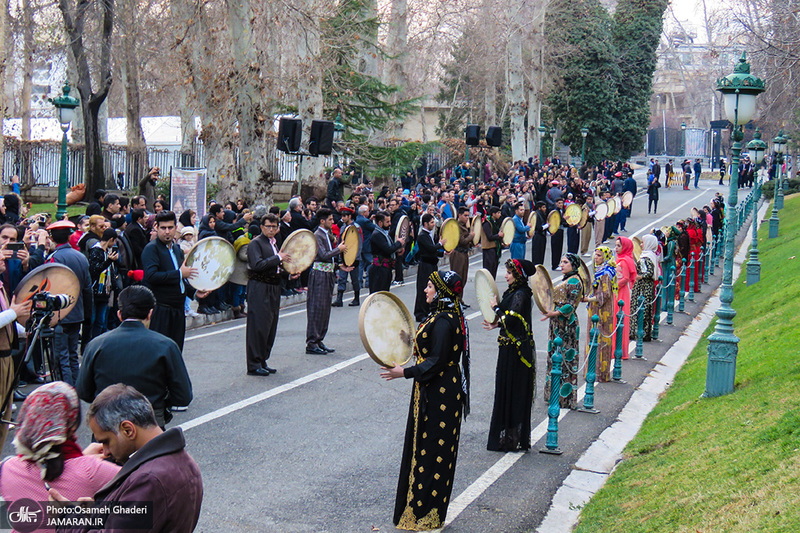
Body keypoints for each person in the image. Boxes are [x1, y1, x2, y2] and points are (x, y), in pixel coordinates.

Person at [380, 271, 469, 530]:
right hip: (437, 389)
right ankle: (423, 510)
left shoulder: (444, 320)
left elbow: (436, 360)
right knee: (429, 449)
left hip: (440, 391)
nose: (426, 290)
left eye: (430, 286)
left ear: (441, 291)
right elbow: (431, 349)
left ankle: (425, 513)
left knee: (432, 452)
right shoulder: (445, 316)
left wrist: (404, 372)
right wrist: (405, 341)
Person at [49, 384, 204, 533]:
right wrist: (97, 514)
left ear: (128, 430)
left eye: (106, 441)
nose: (105, 451)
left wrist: (65, 518)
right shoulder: (183, 461)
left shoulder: (149, 480)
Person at [76, 286, 193, 428]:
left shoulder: (96, 345)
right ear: (150, 313)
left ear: (119, 314)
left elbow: (84, 391)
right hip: (150, 426)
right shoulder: (166, 346)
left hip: (107, 428)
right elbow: (183, 396)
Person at [0, 382, 120, 507]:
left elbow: (48, 463)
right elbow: (139, 483)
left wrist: (82, 458)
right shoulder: (94, 470)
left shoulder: (6, 469)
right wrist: (84, 460)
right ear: (71, 425)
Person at [483, 259, 535, 452]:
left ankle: (512, 438)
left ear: (519, 275)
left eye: (509, 273)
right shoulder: (513, 292)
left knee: (514, 392)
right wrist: (496, 324)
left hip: (517, 352)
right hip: (507, 348)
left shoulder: (521, 294)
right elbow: (510, 319)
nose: (506, 275)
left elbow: (512, 319)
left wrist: (495, 308)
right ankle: (508, 437)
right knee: (505, 390)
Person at [142, 211, 208, 352]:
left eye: (170, 228)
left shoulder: (177, 250)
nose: (167, 232)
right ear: (156, 227)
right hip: (161, 309)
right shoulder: (151, 249)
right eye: (163, 228)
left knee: (176, 351)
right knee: (160, 352)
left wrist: (195, 292)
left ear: (175, 228)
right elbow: (152, 276)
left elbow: (180, 281)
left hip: (178, 310)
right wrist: (179, 273)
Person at [246, 214, 297, 375]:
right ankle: (254, 364)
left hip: (273, 286)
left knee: (270, 325)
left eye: (275, 227)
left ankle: (262, 359)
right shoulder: (255, 243)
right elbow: (257, 265)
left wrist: (288, 274)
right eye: (268, 226)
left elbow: (275, 268)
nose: (272, 230)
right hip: (260, 287)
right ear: (261, 227)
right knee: (258, 325)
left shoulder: (273, 243)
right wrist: (277, 258)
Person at [47, 220, 92, 386]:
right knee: (73, 354)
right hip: (77, 311)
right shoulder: (80, 256)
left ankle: (66, 389)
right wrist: (87, 313)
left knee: (61, 356)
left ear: (52, 237)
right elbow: (87, 289)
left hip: (60, 314)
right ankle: (77, 386)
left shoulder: (54, 258)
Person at [542, 253, 584, 409]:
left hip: (566, 325)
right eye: (561, 261)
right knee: (555, 357)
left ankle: (563, 398)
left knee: (564, 358)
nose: (562, 265)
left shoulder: (575, 281)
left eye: (565, 262)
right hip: (557, 323)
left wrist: (555, 313)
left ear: (573, 265)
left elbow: (571, 305)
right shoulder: (568, 279)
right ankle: (554, 395)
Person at [305, 208, 347, 355]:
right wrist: (339, 249)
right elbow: (323, 255)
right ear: (322, 221)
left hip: (328, 273)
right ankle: (312, 342)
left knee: (325, 309)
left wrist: (339, 266)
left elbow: (329, 259)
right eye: (330, 219)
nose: (332, 221)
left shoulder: (327, 235)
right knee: (317, 307)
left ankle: (319, 339)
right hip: (319, 275)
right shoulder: (317, 235)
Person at [587, 246, 617, 382]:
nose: (596, 258)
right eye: (595, 255)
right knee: (594, 339)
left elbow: (604, 294)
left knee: (600, 339)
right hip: (595, 310)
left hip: (601, 311)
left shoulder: (605, 273)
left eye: (599, 255)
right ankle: (593, 370)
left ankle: (600, 372)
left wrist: (589, 299)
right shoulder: (600, 270)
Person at [87, 228, 121, 339]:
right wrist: (109, 261)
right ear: (111, 239)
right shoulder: (96, 251)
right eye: (114, 241)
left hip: (105, 291)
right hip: (96, 289)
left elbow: (111, 271)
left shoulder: (107, 252)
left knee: (101, 320)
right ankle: (89, 341)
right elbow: (94, 270)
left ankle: (98, 339)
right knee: (92, 320)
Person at [414, 213, 444, 321]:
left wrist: (443, 253)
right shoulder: (422, 236)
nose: (434, 224)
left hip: (431, 264)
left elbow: (432, 251)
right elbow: (431, 249)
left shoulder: (428, 235)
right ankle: (420, 313)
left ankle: (428, 310)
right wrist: (440, 244)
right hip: (425, 266)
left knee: (432, 288)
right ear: (425, 224)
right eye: (432, 222)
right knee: (424, 288)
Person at [630, 235, 659, 342]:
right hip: (647, 285)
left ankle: (639, 332)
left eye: (643, 243)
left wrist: (640, 276)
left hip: (643, 286)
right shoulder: (651, 255)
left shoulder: (646, 257)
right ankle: (644, 332)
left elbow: (649, 272)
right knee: (645, 308)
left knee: (641, 308)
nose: (641, 245)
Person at [368, 211, 405, 293]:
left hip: (385, 269)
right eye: (387, 222)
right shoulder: (377, 234)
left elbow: (389, 250)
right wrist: (398, 243)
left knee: (385, 295)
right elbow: (388, 249)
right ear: (380, 223)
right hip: (379, 270)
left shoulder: (384, 234)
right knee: (379, 295)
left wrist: (397, 251)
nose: (390, 224)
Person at [332, 207, 361, 307]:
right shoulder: (343, 227)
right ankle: (339, 299)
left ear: (350, 216)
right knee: (342, 277)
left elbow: (358, 243)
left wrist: (356, 257)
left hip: (353, 257)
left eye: (345, 216)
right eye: (342, 216)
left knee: (355, 278)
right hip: (343, 256)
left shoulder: (356, 227)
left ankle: (356, 298)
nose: (343, 218)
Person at [614, 237, 637, 360]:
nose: (616, 248)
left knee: (620, 318)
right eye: (616, 245)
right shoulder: (620, 259)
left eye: (619, 246)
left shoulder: (624, 261)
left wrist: (614, 286)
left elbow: (626, 278)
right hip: (617, 291)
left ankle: (620, 350)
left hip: (621, 292)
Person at [448, 207, 473, 292]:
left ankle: (460, 299)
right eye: (465, 215)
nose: (467, 217)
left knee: (463, 278)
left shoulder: (464, 226)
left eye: (468, 216)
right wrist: (471, 236)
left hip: (464, 253)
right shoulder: (457, 226)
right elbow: (462, 241)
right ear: (459, 215)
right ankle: (456, 300)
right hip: (458, 253)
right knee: (457, 278)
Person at [480, 207, 503, 278]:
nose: (500, 215)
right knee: (489, 271)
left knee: (494, 270)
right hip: (488, 249)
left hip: (494, 248)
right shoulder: (487, 223)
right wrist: (498, 236)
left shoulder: (495, 222)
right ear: (493, 214)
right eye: (498, 213)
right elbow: (489, 237)